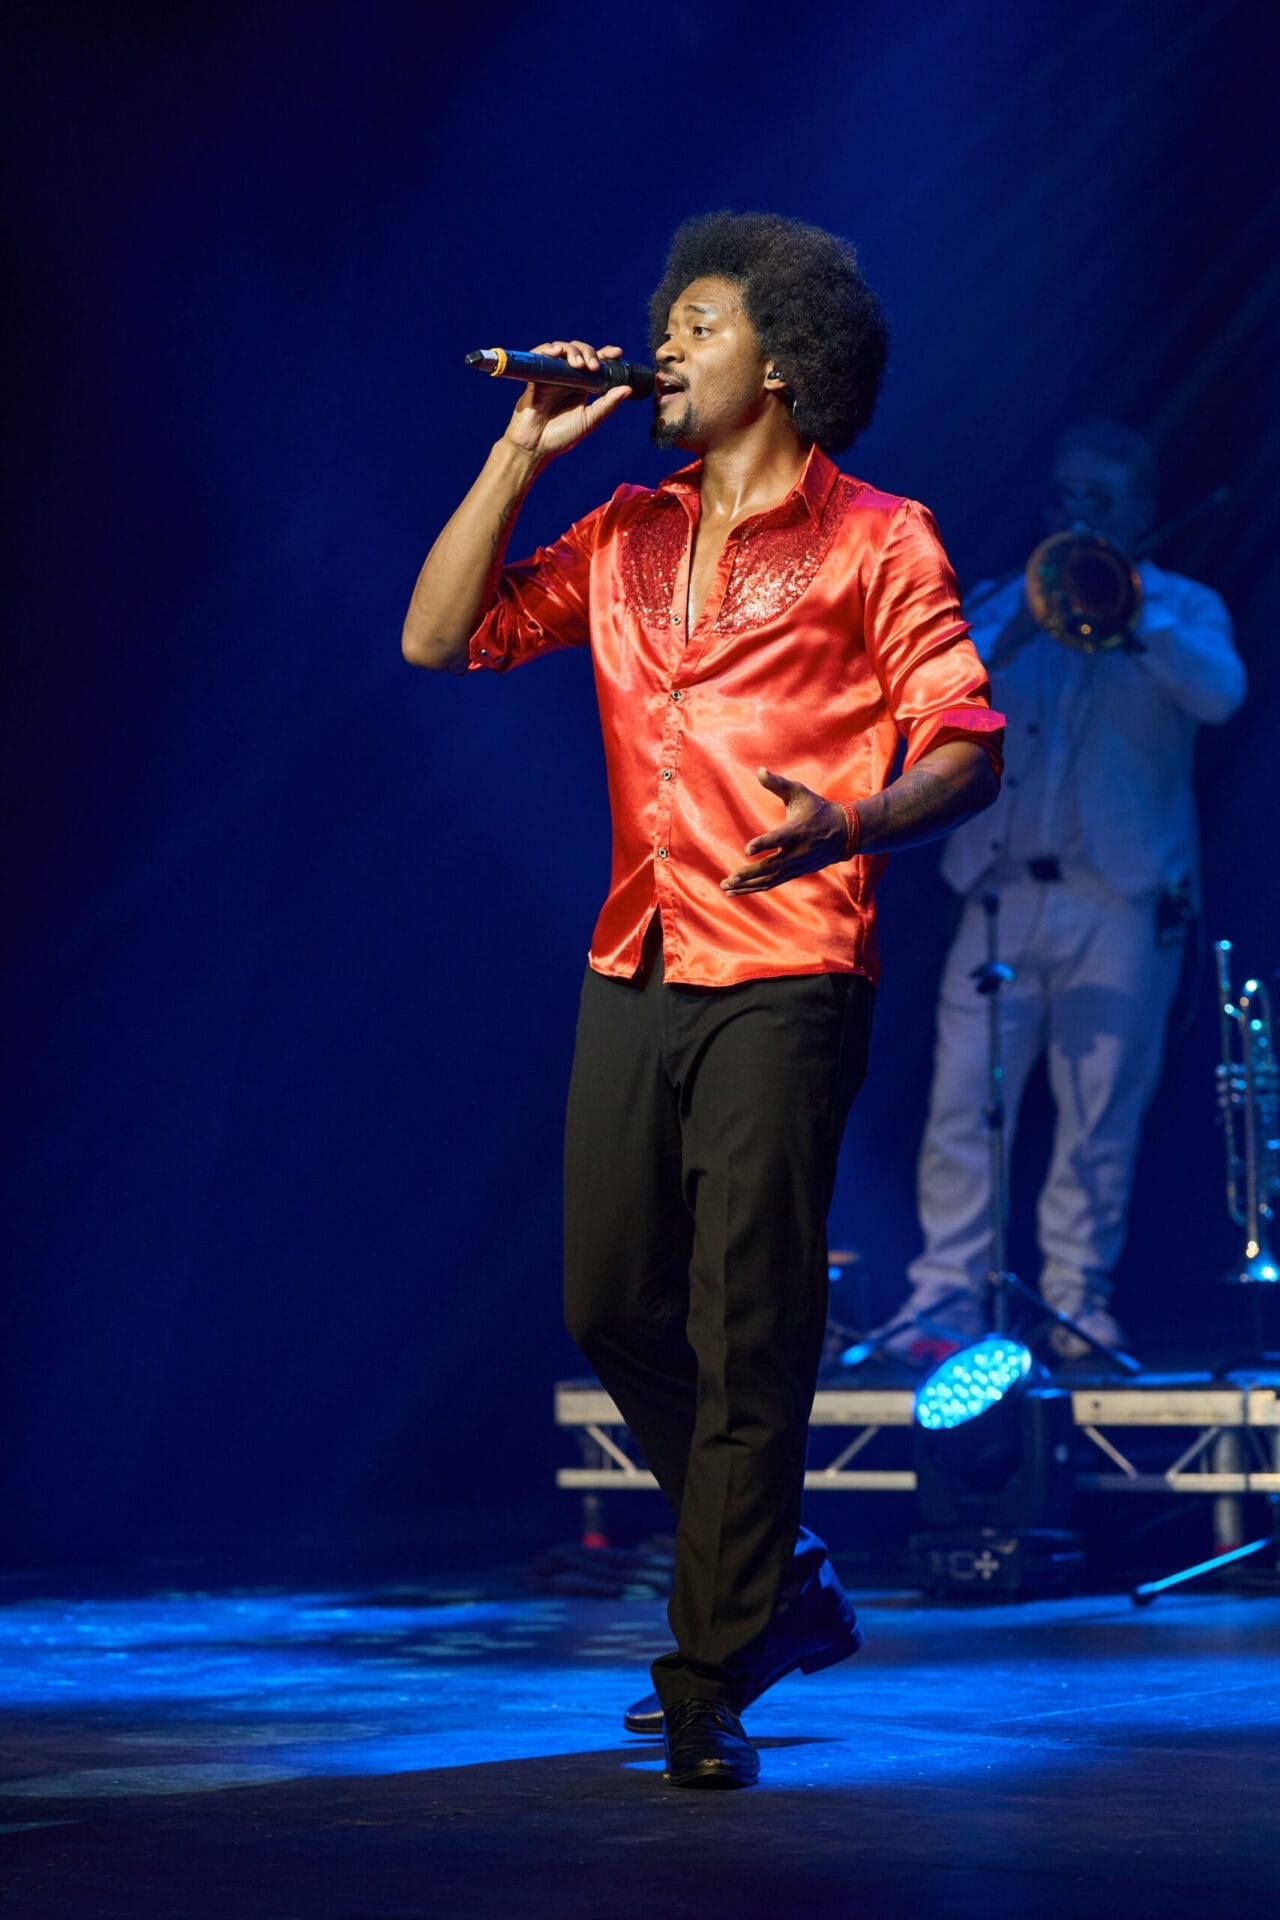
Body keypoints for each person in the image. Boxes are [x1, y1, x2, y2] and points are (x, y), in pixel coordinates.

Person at [402, 213, 1003, 1789]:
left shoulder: (883, 536)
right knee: (609, 1299)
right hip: (638, 949)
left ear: (786, 362)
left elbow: (964, 736)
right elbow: (436, 634)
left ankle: (707, 1665)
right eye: (665, 317)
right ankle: (781, 1574)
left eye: (706, 320)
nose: (665, 342)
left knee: (753, 1321)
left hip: (793, 957)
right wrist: (524, 448)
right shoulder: (623, 531)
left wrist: (855, 819)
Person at [892, 421, 1245, 1366]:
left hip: (1121, 902)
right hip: (999, 892)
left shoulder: (1182, 607)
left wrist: (1133, 624)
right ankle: (946, 1303)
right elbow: (937, 703)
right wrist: (1010, 624)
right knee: (962, 1106)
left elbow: (1222, 695)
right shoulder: (1006, 599)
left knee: (1098, 1115)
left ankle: (1077, 1305)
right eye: (1066, 497)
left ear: (1141, 513)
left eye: (1100, 501)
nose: (1078, 515)